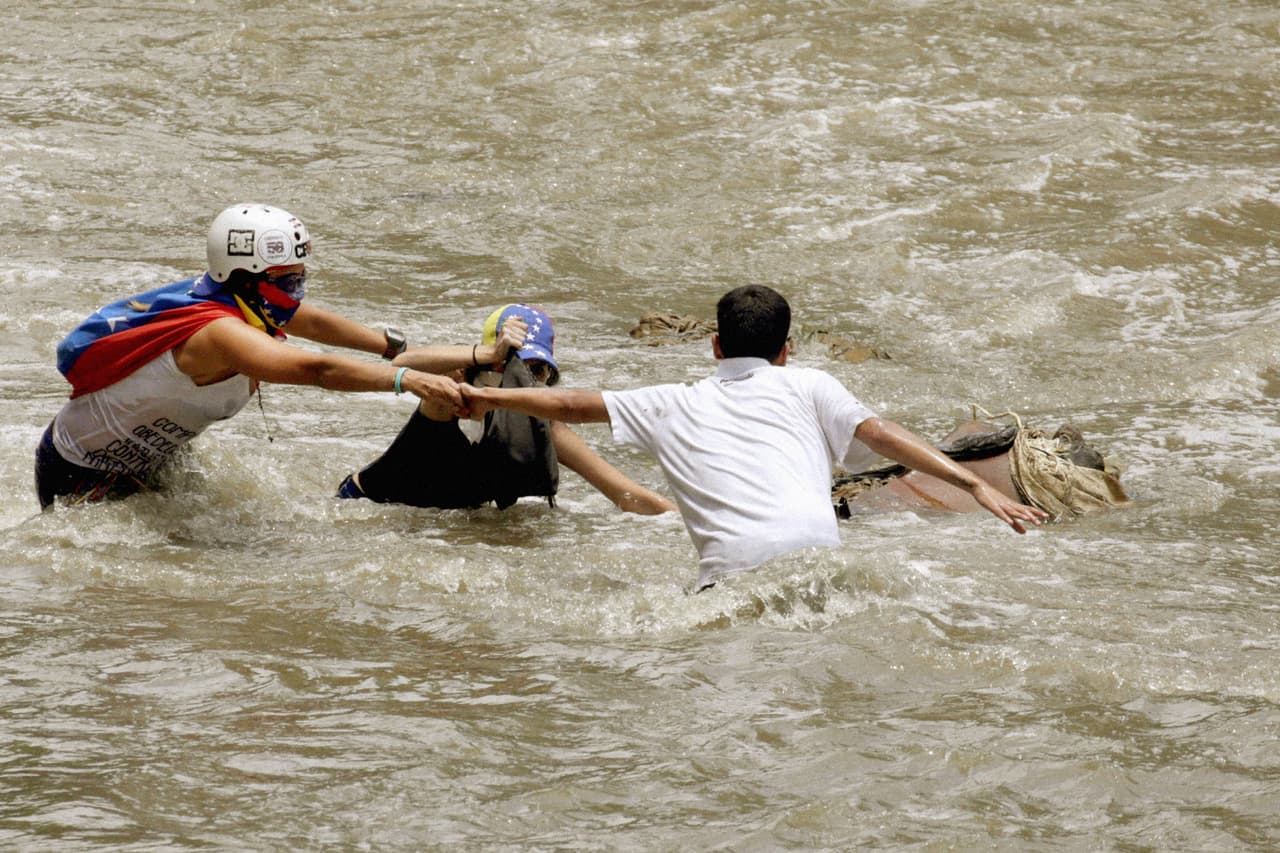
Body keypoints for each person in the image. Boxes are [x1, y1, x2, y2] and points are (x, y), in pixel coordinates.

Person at [461, 285, 1049, 590]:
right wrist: (973, 482)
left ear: (714, 345)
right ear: (786, 350)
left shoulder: (672, 402)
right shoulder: (812, 385)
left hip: (732, 582)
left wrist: (485, 395)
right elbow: (883, 434)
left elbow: (566, 404)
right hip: (822, 568)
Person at [36, 202, 462, 509]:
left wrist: (397, 349)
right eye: (286, 280)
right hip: (78, 471)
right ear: (243, 279)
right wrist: (406, 381)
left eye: (300, 277)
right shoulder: (219, 332)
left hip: (153, 458)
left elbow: (310, 323)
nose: (296, 290)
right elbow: (314, 369)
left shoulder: (246, 303)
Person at [337, 304, 676, 515]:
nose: (521, 378)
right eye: (508, 364)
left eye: (536, 370)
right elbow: (403, 363)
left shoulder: (544, 424)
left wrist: (687, 521)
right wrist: (487, 353)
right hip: (366, 511)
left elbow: (625, 494)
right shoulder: (448, 395)